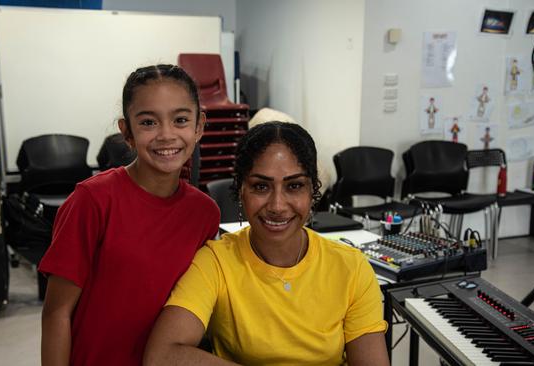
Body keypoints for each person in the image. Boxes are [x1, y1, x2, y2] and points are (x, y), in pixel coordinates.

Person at [144, 122, 389, 365]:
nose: (277, 206)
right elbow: (162, 355)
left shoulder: (351, 269)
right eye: (261, 186)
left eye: (294, 186)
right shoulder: (215, 263)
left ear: (312, 191)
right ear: (241, 190)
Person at [39, 64, 220, 366]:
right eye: (149, 122)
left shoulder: (204, 213)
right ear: (127, 132)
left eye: (180, 120)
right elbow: (57, 313)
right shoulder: (93, 200)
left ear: (199, 126)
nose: (166, 135)